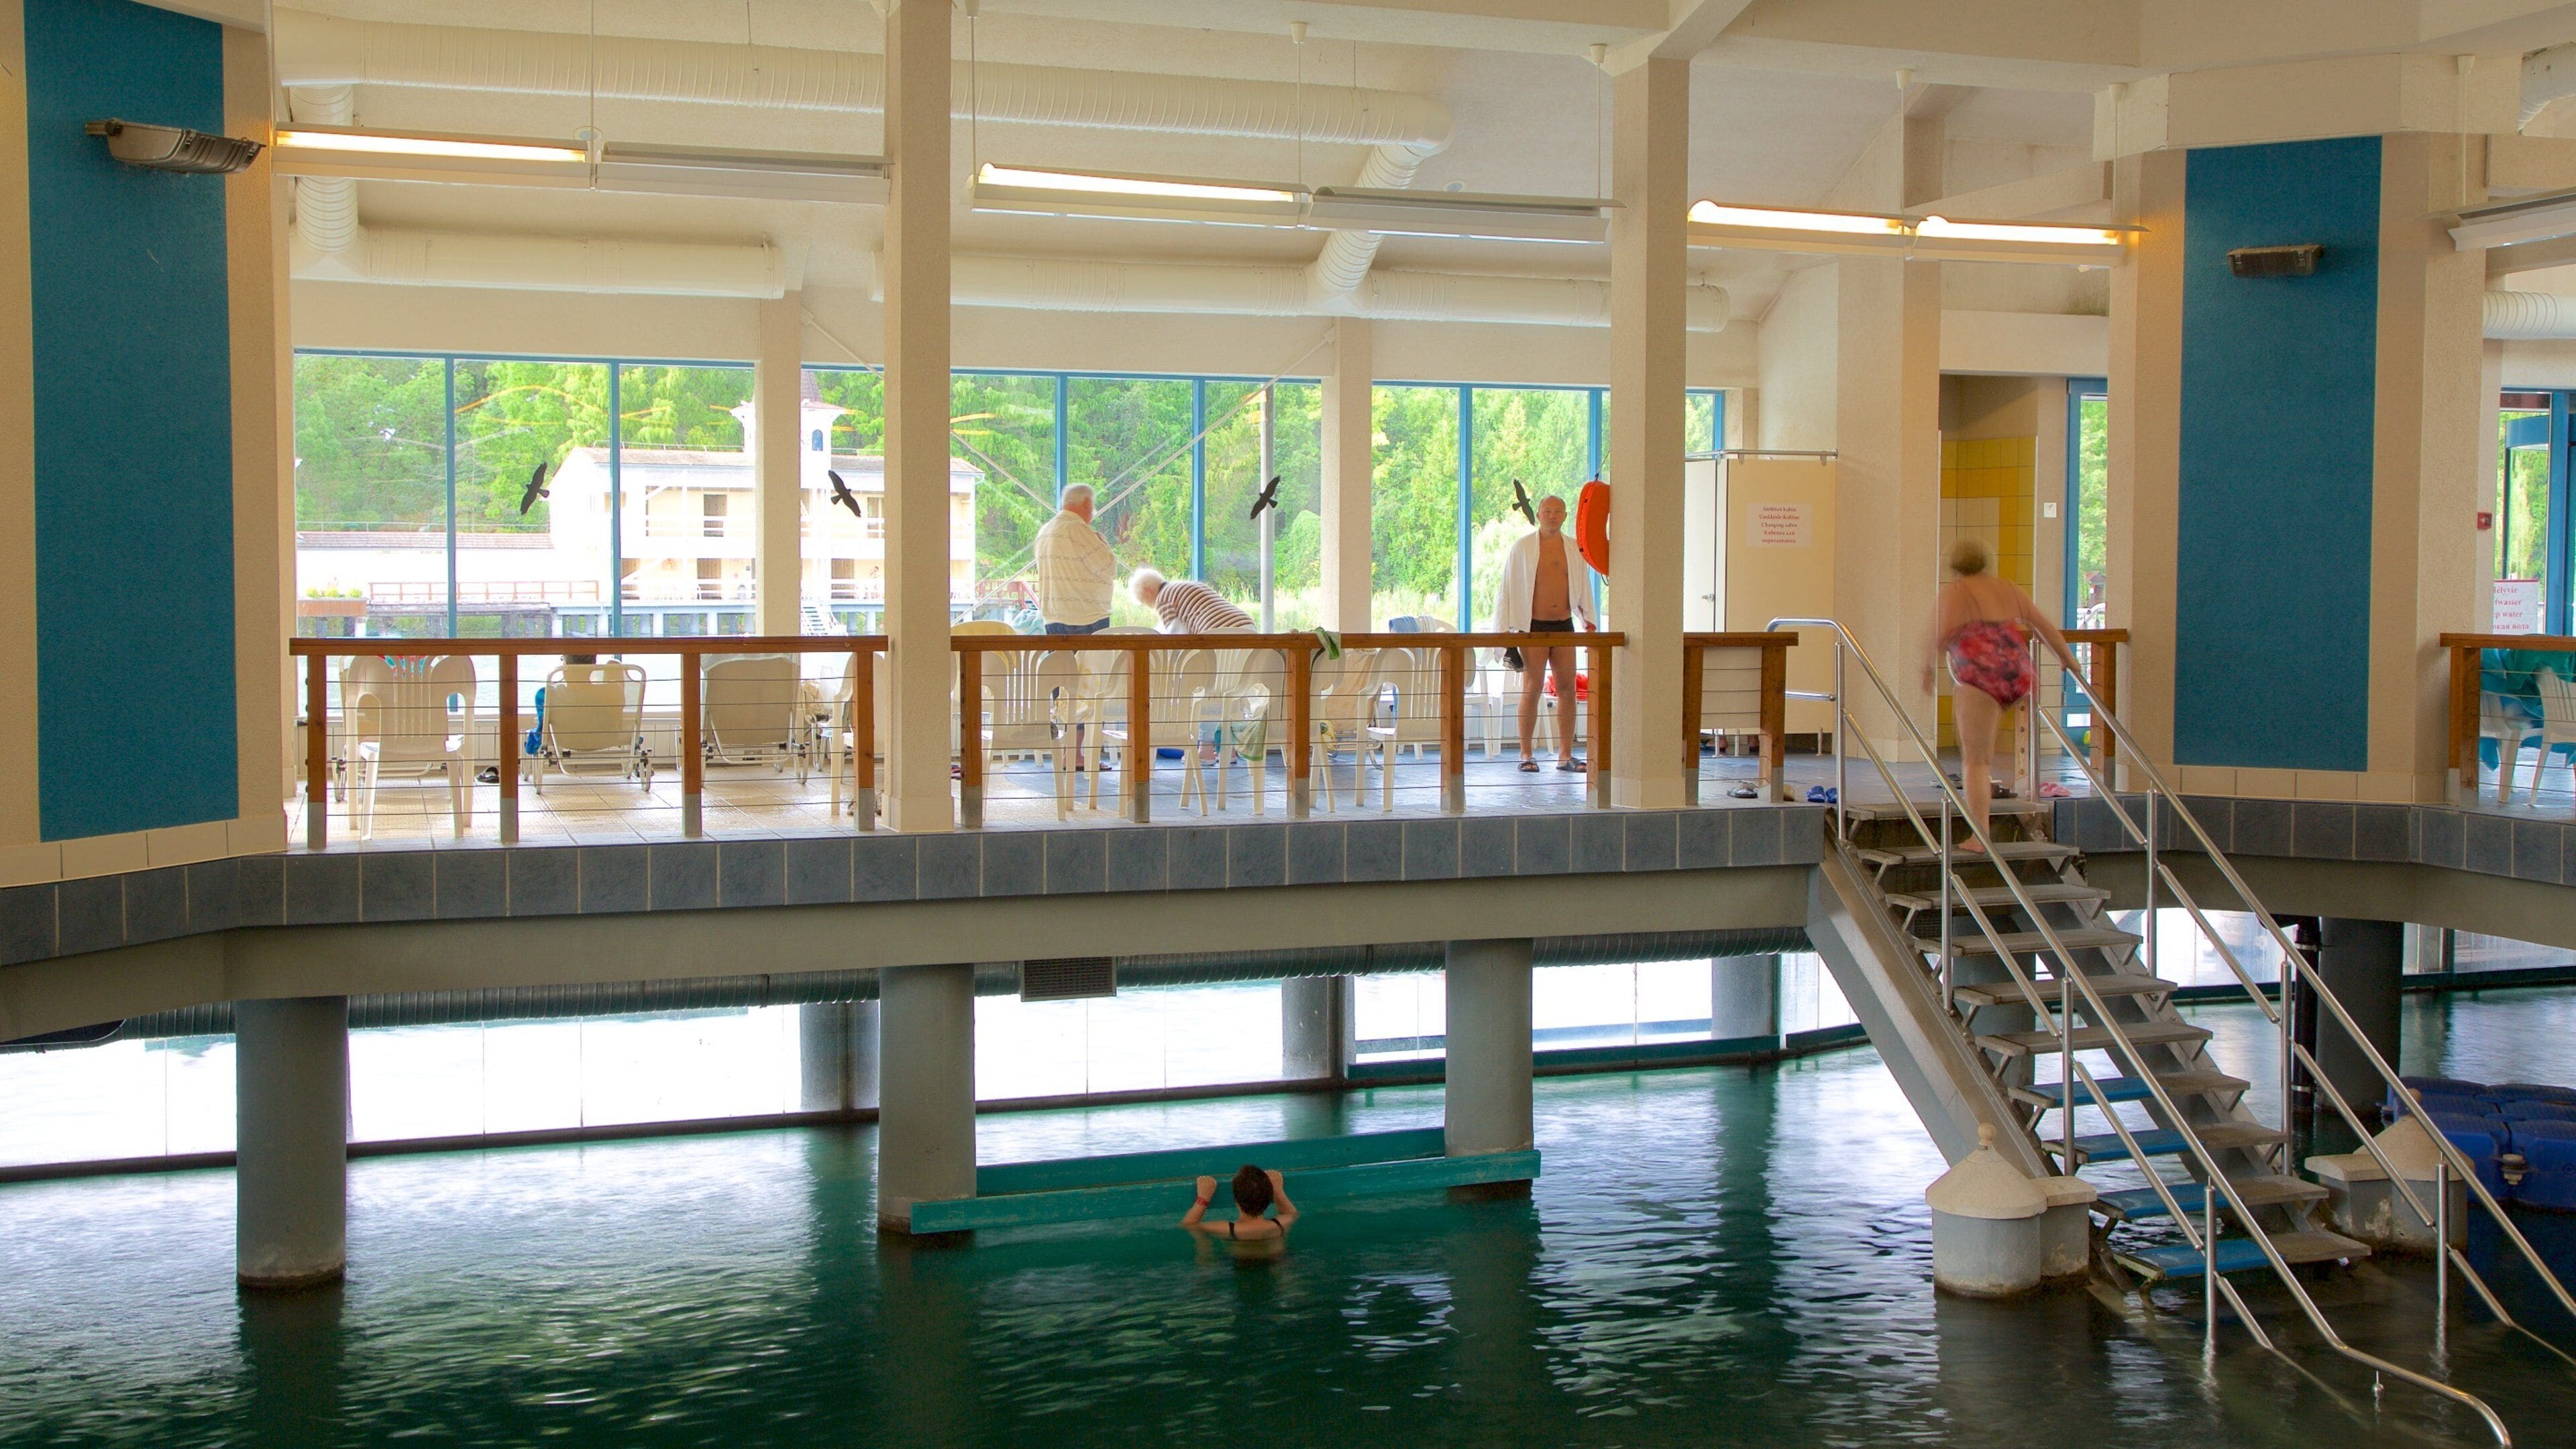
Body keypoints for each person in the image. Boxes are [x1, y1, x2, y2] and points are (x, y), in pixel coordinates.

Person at [1924, 539, 2077, 851]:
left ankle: (1979, 835)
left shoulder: (1955, 593)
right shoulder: (2009, 589)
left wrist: (1927, 668)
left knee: (1977, 761)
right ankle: (2026, 786)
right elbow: (2044, 626)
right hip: (2019, 671)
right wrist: (2067, 659)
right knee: (1995, 747)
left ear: (1954, 567)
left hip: (1979, 674)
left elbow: (1938, 636)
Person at [1491, 494, 1597, 773]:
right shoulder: (1523, 548)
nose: (1552, 515)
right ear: (1539, 515)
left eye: (1558, 511)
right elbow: (1507, 591)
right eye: (1547, 511)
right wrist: (1504, 631)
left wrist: (1589, 620)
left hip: (1563, 625)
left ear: (1565, 516)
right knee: (1532, 687)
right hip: (1533, 626)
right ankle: (1526, 754)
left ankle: (1565, 754)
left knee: (1567, 690)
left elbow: (1584, 587)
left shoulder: (1574, 549)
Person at [1034, 484, 1117, 637]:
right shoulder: (1077, 528)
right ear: (1088, 504)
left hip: (1053, 617)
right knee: (1088, 662)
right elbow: (1109, 568)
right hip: (1084, 618)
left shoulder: (1044, 531)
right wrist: (1103, 542)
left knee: (1061, 662)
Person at [1180, 1165, 1297, 1249]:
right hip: (1277, 1261)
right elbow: (1291, 1214)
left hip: (1240, 1267)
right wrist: (1278, 1192)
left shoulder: (1228, 1229)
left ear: (1236, 1200)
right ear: (1270, 1198)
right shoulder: (1281, 1224)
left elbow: (1189, 1225)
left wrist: (1203, 1198)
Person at [1130, 568, 1252, 633]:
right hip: (1246, 625)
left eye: (1143, 601)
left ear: (1147, 592)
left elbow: (1176, 638)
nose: (1149, 606)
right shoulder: (1184, 586)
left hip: (1219, 632)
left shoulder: (1163, 599)